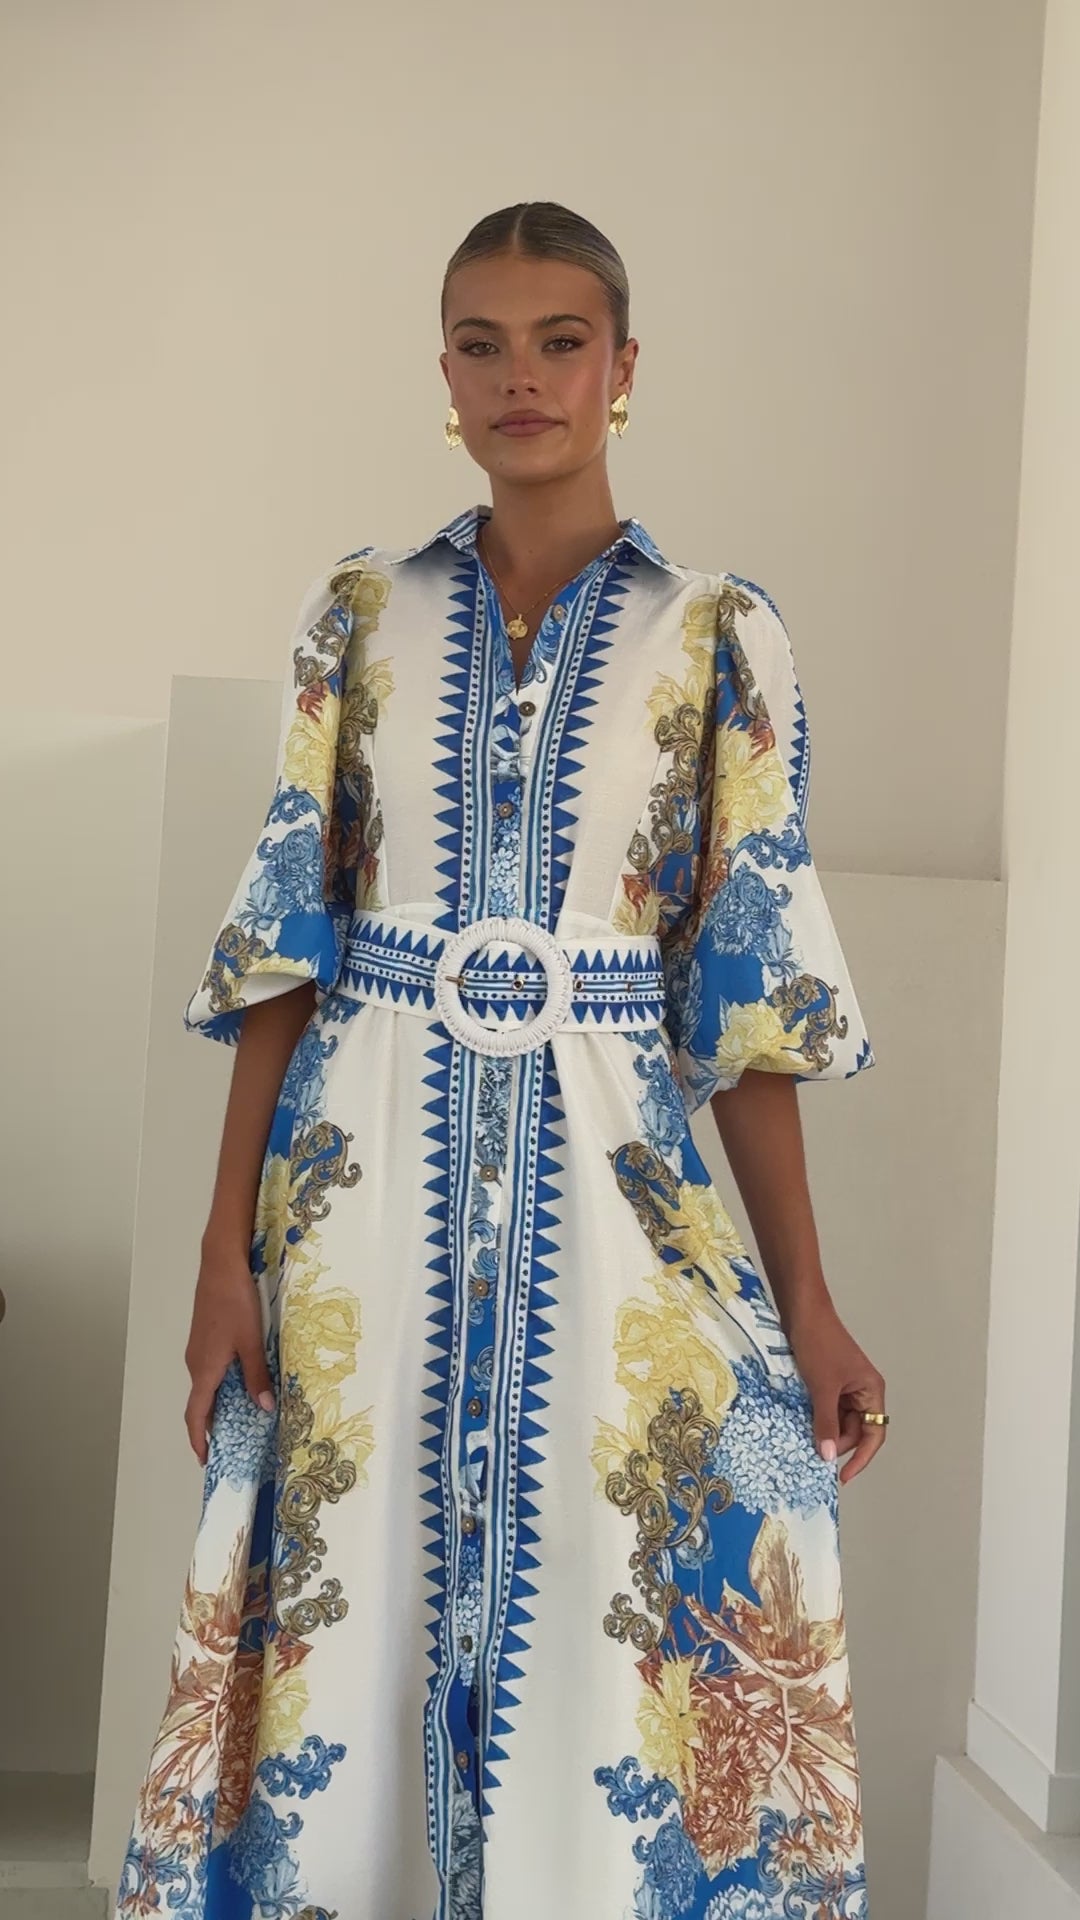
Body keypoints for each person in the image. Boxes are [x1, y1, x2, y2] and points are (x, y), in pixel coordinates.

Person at [115, 200, 886, 1920]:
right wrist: (225, 1252)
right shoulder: (356, 617)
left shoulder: (721, 634)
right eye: (482, 343)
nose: (520, 377)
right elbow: (289, 948)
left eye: (559, 342)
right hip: (360, 1186)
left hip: (620, 1194)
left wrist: (810, 1302)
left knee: (618, 1591)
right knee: (350, 1580)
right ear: (445, 374)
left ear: (624, 369)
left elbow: (748, 1003)